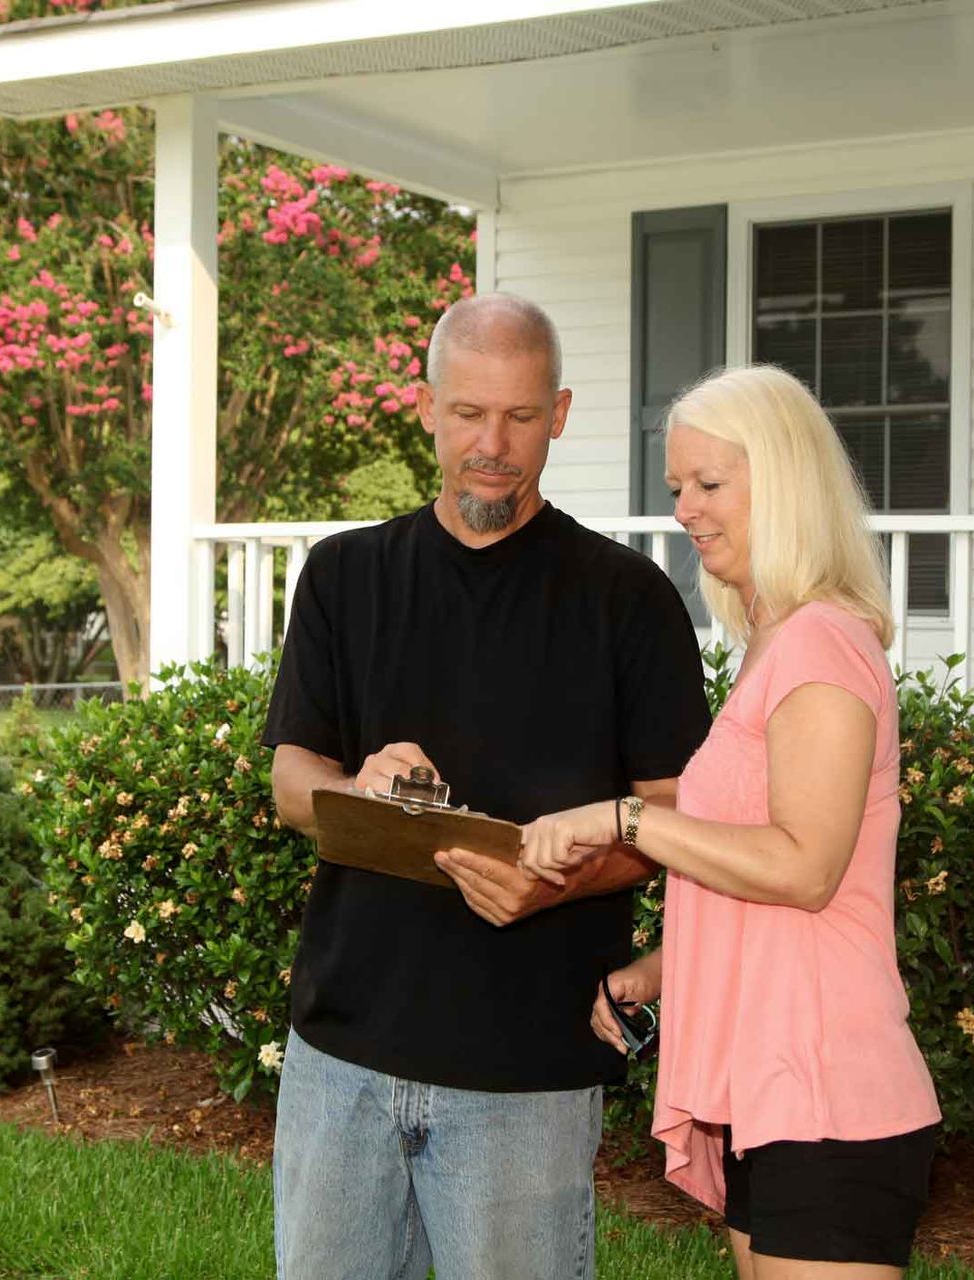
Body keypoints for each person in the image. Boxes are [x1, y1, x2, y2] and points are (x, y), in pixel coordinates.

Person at [262, 292, 711, 1279]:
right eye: (468, 413)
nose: (492, 445)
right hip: (343, 1055)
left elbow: (683, 820)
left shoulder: (629, 600)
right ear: (426, 407)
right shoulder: (344, 576)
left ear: (558, 412)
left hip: (530, 1069)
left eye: (518, 416)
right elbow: (293, 778)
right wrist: (360, 793)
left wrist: (556, 877)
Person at [519, 364, 943, 1279]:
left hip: (831, 1091)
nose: (685, 509)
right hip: (776, 1091)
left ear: (786, 481)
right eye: (677, 487)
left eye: (710, 484)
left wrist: (629, 821)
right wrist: (658, 972)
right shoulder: (775, 648)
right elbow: (765, 885)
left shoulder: (823, 645)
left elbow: (805, 870)